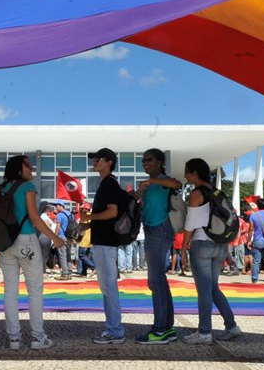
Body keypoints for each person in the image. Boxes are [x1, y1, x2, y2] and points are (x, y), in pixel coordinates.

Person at [0, 155, 64, 350]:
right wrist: (55, 237)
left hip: (5, 243)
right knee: (35, 290)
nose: (31, 167)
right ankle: (37, 337)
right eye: (27, 165)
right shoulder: (27, 187)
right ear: (19, 169)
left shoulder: (2, 189)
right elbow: (35, 218)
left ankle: (14, 339)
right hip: (26, 240)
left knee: (10, 290)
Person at [180, 158, 241, 344]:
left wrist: (183, 249)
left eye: (187, 172)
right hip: (220, 245)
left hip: (202, 244)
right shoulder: (218, 192)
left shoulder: (197, 193)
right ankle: (231, 326)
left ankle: (204, 331)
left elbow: (190, 224)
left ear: (195, 174)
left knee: (204, 290)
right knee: (213, 288)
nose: (185, 175)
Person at [134, 148, 181, 345]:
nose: (145, 163)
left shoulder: (163, 180)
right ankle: (167, 327)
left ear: (160, 162)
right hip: (151, 230)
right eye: (143, 160)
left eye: (150, 160)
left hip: (160, 230)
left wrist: (152, 181)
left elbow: (177, 184)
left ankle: (160, 328)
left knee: (155, 280)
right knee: (159, 281)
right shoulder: (148, 185)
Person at [81, 148, 125, 344]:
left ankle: (116, 331)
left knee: (109, 288)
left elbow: (112, 212)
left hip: (107, 243)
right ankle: (113, 329)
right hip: (103, 242)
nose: (95, 162)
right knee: (107, 287)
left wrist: (90, 217)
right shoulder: (106, 183)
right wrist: (90, 223)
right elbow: (107, 215)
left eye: (98, 159)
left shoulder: (109, 184)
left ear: (109, 162)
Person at [53, 202, 72, 280]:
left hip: (61, 236)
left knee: (62, 256)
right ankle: (69, 272)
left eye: (57, 206)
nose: (56, 208)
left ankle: (65, 274)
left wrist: (55, 237)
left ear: (61, 206)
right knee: (68, 255)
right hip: (69, 237)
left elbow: (57, 227)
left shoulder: (59, 215)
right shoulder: (70, 214)